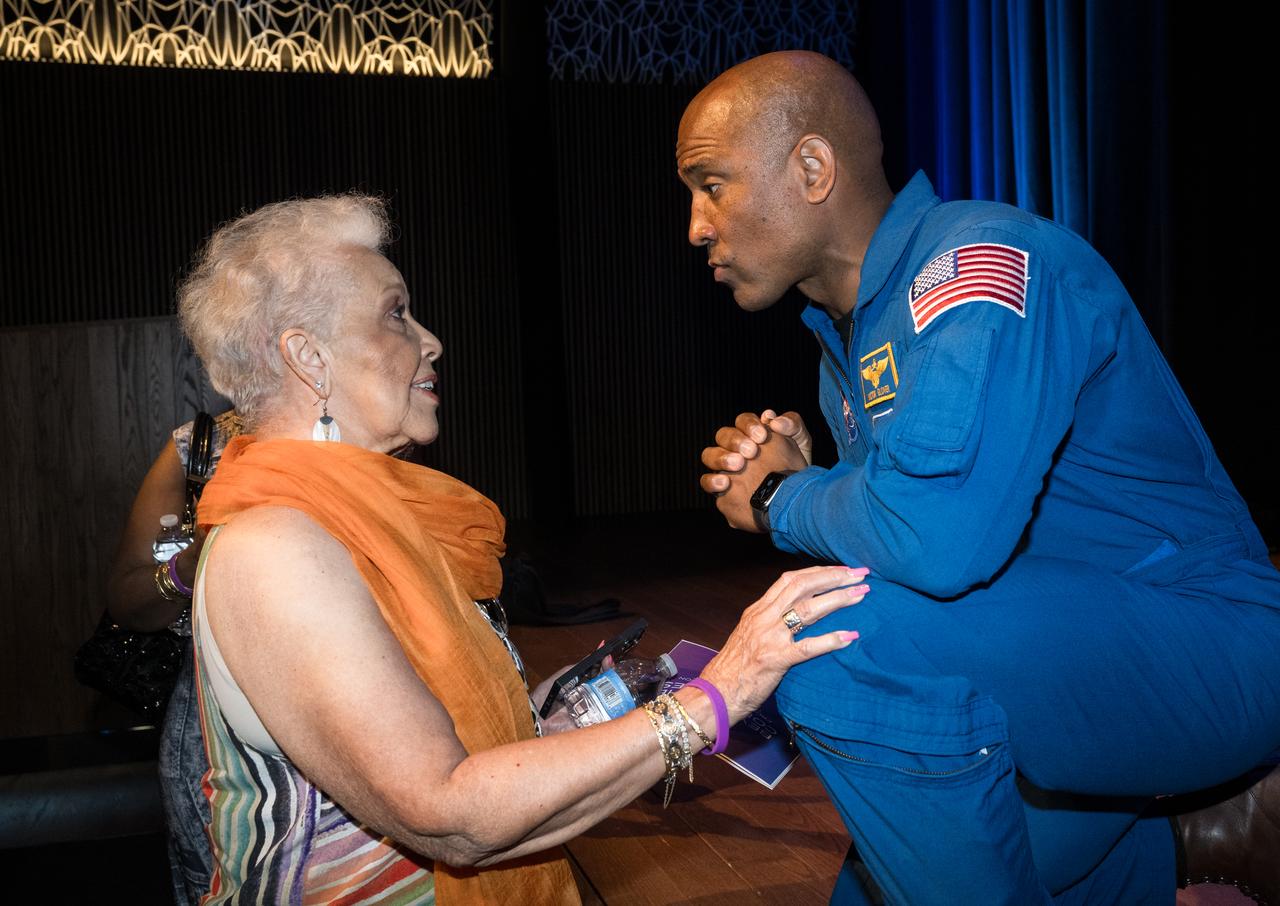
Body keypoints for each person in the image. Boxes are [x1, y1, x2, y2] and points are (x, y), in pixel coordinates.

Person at [681, 51, 1280, 904]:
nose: (696, 226)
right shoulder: (846, 338)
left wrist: (784, 496)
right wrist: (822, 479)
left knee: (832, 640)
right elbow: (907, 545)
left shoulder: (975, 267)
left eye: (712, 186)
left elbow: (937, 540)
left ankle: (1198, 795)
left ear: (812, 169)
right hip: (1067, 655)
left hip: (1207, 640)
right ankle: (1174, 837)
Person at [173, 194, 866, 904]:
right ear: (308, 357)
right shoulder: (277, 546)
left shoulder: (367, 517)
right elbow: (449, 817)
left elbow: (427, 734)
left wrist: (542, 720)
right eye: (395, 313)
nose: (431, 341)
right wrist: (716, 697)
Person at [107, 409, 243, 905]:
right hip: (216, 727)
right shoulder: (203, 445)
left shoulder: (381, 427)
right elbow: (127, 601)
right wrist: (187, 567)